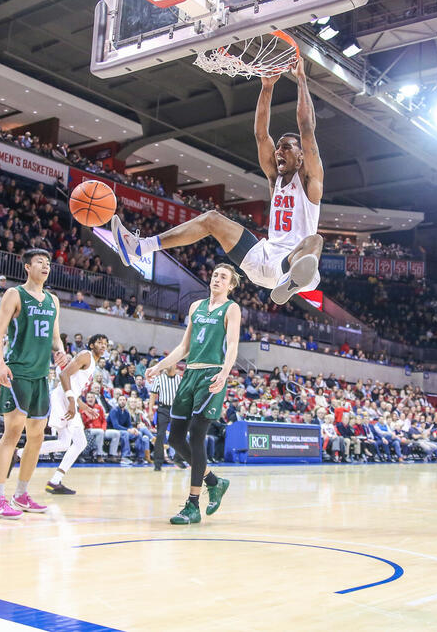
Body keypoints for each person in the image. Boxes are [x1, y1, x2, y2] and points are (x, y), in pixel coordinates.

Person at [112, 57, 323, 306]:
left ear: (301, 157)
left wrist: (301, 79)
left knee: (315, 240)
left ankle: (291, 279)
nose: (278, 151)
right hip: (262, 258)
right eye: (278, 147)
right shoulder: (275, 178)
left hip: (291, 262)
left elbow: (307, 128)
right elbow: (260, 135)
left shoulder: (311, 183)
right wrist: (266, 88)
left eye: (286, 148)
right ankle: (139, 247)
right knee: (211, 218)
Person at [145, 263, 240, 524]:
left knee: (197, 436)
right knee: (175, 439)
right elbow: (184, 347)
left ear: (231, 285)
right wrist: (160, 366)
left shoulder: (231, 308)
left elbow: (232, 344)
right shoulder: (195, 307)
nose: (217, 279)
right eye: (215, 275)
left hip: (212, 375)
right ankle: (214, 481)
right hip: (190, 374)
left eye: (223, 277)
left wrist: (224, 373)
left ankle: (193, 505)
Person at [0, 249, 68, 519]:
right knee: (12, 433)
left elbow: (56, 337)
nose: (45, 267)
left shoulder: (53, 300)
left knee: (37, 435)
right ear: (27, 267)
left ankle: (21, 494)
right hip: (18, 372)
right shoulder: (14, 294)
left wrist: (61, 351)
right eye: (40, 263)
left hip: (41, 375)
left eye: (48, 263)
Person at [22, 333, 107, 495]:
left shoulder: (93, 362)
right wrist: (71, 401)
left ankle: (52, 479)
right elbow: (63, 375)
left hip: (68, 398)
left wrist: (83, 406)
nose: (103, 346)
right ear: (91, 345)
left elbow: (74, 385)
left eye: (105, 344)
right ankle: (51, 478)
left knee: (65, 443)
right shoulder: (85, 356)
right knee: (77, 442)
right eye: (99, 342)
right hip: (63, 398)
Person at [148, 363, 182, 471]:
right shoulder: (159, 379)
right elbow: (153, 395)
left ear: (175, 366)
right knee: (160, 435)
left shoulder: (179, 379)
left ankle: (178, 459)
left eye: (170, 364)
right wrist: (150, 410)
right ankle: (158, 463)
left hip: (176, 409)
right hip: (163, 409)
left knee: (179, 435)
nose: (168, 365)